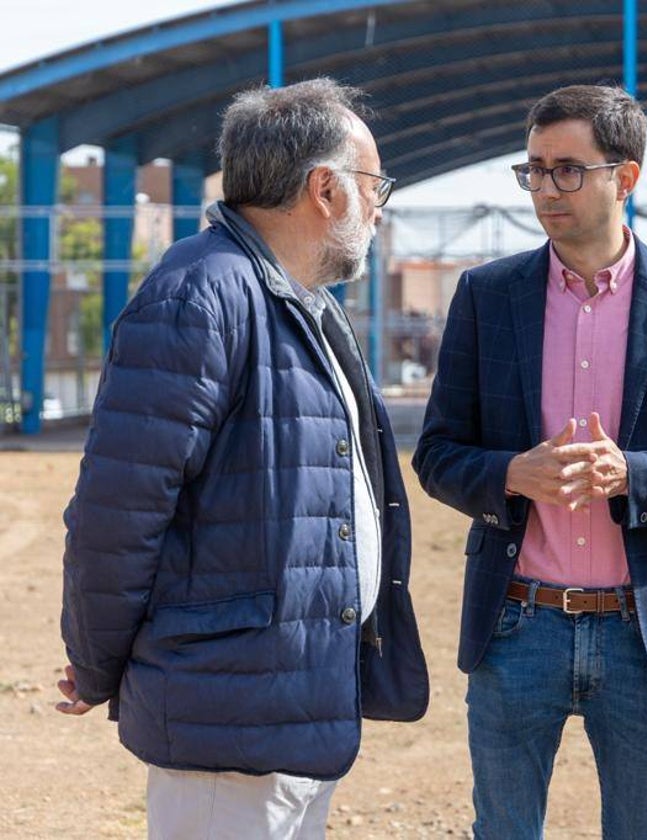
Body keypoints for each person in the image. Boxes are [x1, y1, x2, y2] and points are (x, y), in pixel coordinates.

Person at [56, 78, 429, 838]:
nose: (380, 205)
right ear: (325, 189)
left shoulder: (299, 300)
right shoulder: (200, 295)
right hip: (227, 716)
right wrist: (96, 663)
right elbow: (118, 513)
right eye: (373, 183)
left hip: (286, 698)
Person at [413, 83, 647, 839]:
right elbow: (436, 453)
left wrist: (633, 475)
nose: (545, 187)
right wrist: (510, 475)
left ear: (625, 177)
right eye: (533, 168)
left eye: (567, 169)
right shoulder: (485, 295)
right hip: (516, 623)